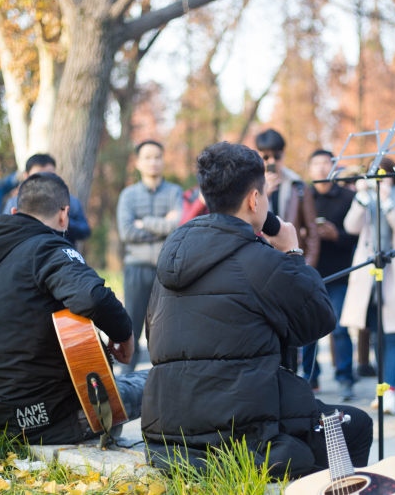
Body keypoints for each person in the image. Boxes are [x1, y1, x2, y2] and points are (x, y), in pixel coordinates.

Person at [141, 142, 372, 477]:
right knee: (358, 425)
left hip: (166, 433)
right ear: (254, 199)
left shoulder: (172, 252)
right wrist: (292, 251)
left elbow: (153, 332)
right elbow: (320, 319)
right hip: (239, 438)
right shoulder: (262, 261)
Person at [0, 172, 144, 444]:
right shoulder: (46, 247)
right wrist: (125, 335)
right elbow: (92, 297)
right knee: (157, 381)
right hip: (51, 420)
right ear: (64, 215)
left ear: (14, 212)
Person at [341, 157, 395, 415]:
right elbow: (350, 227)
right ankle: (382, 389)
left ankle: (390, 392)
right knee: (376, 334)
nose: (380, 180)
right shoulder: (365, 197)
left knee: (392, 335)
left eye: (384, 175)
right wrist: (362, 199)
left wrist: (387, 202)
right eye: (375, 175)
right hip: (369, 274)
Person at [117, 140, 183, 373]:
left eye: (157, 157)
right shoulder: (128, 195)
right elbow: (126, 232)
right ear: (137, 163)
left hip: (166, 270)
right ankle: (125, 382)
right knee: (131, 328)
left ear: (163, 160)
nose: (153, 162)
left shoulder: (175, 191)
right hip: (136, 269)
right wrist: (162, 226)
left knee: (166, 329)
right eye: (147, 157)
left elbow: (177, 227)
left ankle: (166, 381)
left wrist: (143, 223)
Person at [300, 149, 359, 400]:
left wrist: (337, 235)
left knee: (340, 329)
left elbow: (358, 236)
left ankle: (345, 377)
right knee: (308, 330)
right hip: (309, 273)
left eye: (327, 163)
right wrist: (304, 236)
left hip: (341, 272)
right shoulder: (303, 196)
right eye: (317, 164)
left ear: (335, 167)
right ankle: (310, 378)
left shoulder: (348, 197)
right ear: (310, 169)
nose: (322, 168)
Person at [255, 128, 320, 268]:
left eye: (276, 156)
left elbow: (312, 232)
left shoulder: (298, 185)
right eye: (266, 157)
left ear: (283, 155)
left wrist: (307, 268)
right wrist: (263, 194)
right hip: (260, 262)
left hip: (291, 260)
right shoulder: (251, 187)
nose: (272, 161)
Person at [2, 154, 91, 245]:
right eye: (38, 176)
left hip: (62, 254)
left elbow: (85, 230)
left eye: (49, 175)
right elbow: (5, 231)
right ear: (26, 176)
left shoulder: (70, 201)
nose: (45, 181)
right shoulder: (14, 202)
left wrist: (62, 220)